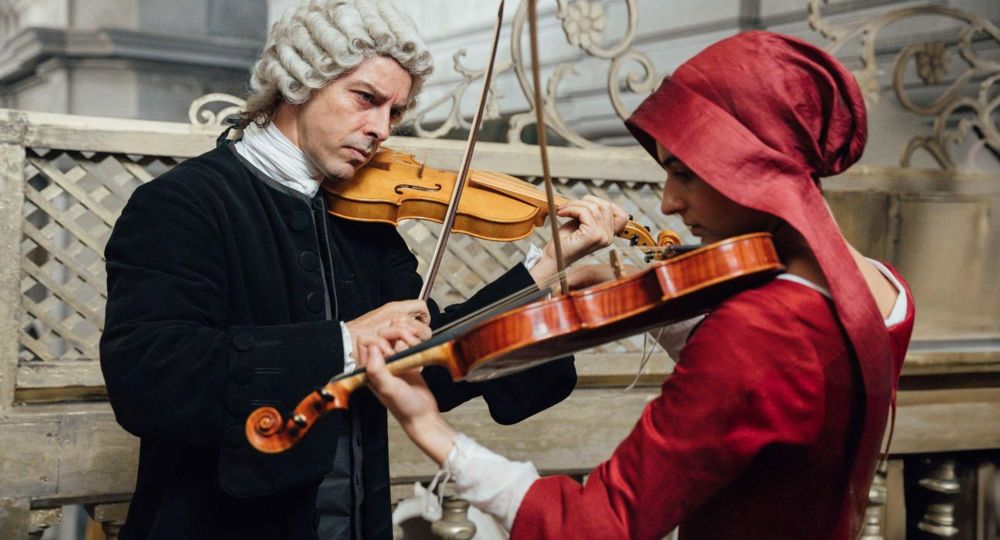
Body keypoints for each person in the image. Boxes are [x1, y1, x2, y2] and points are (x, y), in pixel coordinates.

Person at [99, 0, 627, 538]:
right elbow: (147, 378)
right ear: (301, 82)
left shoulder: (364, 220)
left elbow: (431, 361)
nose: (380, 129)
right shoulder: (180, 204)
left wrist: (545, 272)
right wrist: (345, 342)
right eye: (365, 98)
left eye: (394, 113)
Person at [360, 31, 917, 539]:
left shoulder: (758, 330)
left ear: (752, 168)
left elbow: (592, 525)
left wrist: (429, 428)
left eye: (684, 173)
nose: (669, 202)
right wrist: (643, 298)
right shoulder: (884, 288)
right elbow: (766, 398)